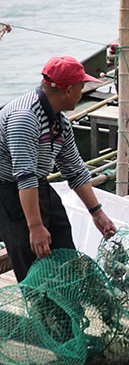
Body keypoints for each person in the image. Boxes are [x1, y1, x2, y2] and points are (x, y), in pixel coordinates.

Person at [0, 56, 116, 282]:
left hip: (38, 184)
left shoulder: (59, 121)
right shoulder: (25, 118)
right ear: (69, 90)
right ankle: (45, 313)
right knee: (33, 257)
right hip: (10, 191)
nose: (83, 93)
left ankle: (70, 306)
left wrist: (97, 212)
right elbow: (25, 176)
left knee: (64, 250)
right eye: (82, 87)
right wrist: (35, 226)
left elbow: (74, 169)